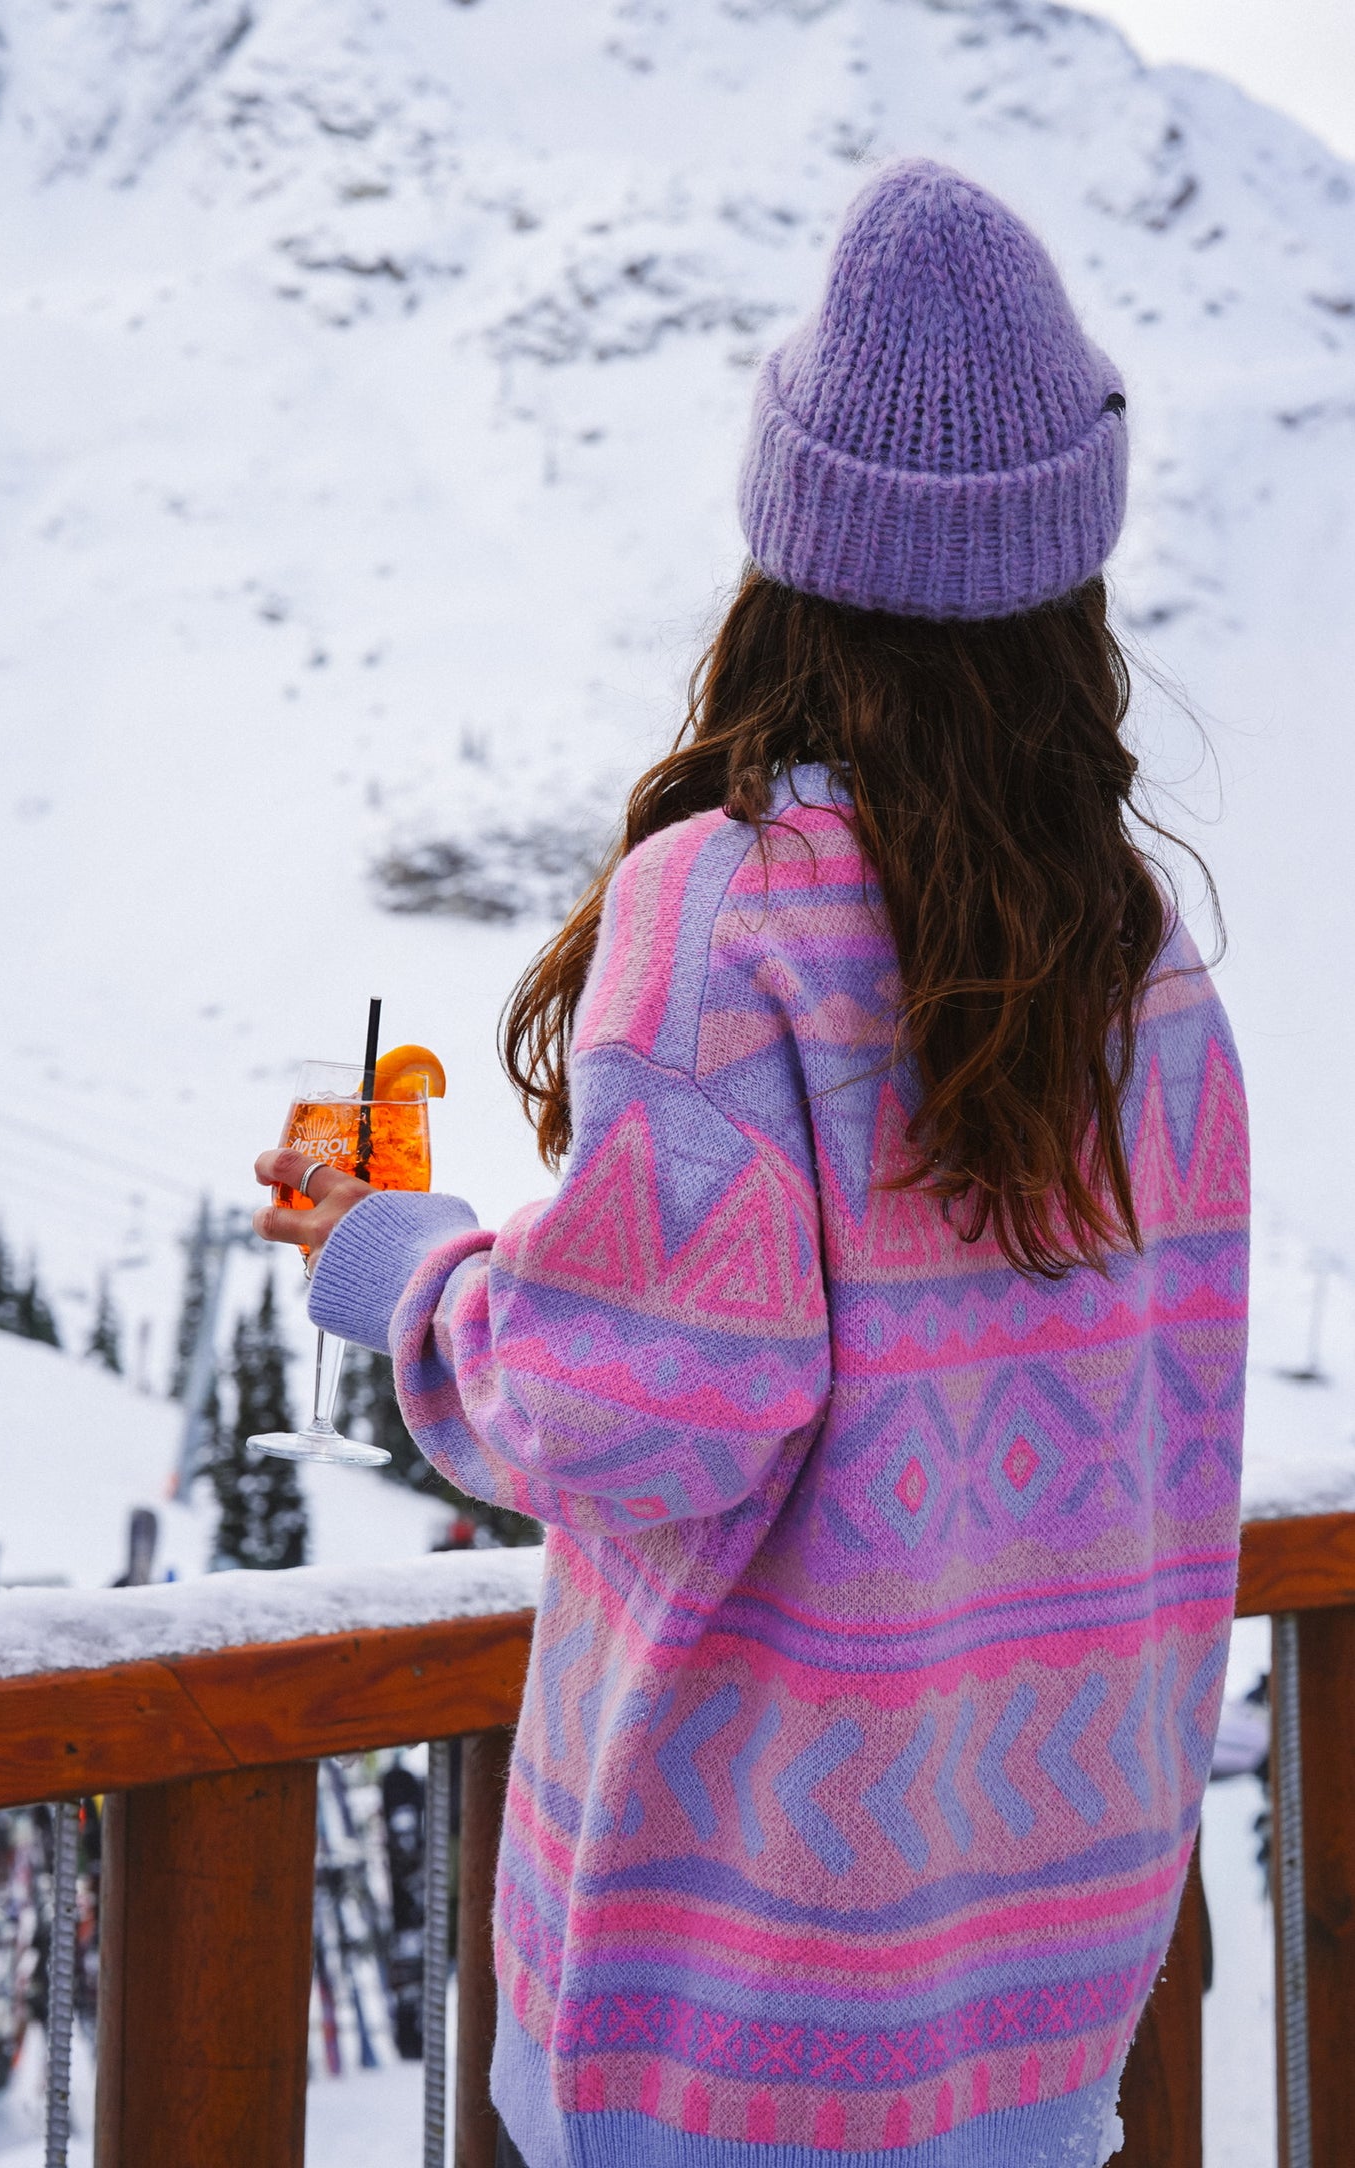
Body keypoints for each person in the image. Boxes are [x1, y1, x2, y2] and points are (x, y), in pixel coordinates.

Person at [255, 159, 1249, 2168]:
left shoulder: (727, 914)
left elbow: (641, 1408)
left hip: (740, 2028)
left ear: (789, 548)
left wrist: (403, 1265)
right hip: (1039, 2005)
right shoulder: (1139, 960)